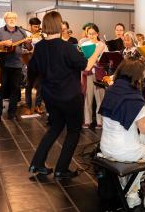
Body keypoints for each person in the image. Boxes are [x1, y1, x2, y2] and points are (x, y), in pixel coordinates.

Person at [28, 11, 100, 179]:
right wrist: (98, 50)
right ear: (60, 26)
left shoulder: (39, 47)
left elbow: (33, 70)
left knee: (55, 127)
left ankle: (37, 163)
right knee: (74, 131)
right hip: (69, 97)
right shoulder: (67, 47)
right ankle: (61, 169)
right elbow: (86, 66)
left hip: (50, 96)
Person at [99, 59, 145, 209]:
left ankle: (132, 195)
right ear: (137, 76)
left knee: (139, 149)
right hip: (124, 151)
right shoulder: (136, 98)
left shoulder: (111, 90)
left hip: (105, 147)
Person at [0, 12, 32, 122]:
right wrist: (2, 43)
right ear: (5, 19)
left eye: (14, 18)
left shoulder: (22, 32)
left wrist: (28, 43)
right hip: (2, 65)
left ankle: (12, 113)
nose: (12, 20)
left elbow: (29, 47)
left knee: (15, 89)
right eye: (9, 18)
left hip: (17, 65)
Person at [82, 24, 106, 129]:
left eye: (93, 34)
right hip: (88, 73)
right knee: (88, 97)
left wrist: (98, 61)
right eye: (89, 34)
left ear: (97, 34)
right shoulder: (84, 44)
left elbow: (107, 59)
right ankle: (87, 120)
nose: (91, 36)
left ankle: (100, 121)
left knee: (100, 97)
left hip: (99, 72)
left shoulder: (102, 45)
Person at [22, 17, 44, 115]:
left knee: (40, 86)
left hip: (40, 63)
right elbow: (24, 50)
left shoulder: (42, 36)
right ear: (30, 26)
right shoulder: (26, 36)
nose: (37, 28)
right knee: (28, 86)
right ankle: (28, 106)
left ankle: (37, 105)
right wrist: (28, 45)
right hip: (30, 63)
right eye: (35, 26)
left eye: (38, 26)